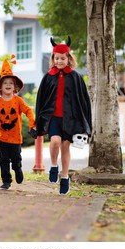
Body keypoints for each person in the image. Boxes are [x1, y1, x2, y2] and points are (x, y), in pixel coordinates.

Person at [35, 37, 92, 195]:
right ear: (53, 59)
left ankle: (65, 177)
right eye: (57, 58)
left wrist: (85, 122)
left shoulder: (76, 78)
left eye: (63, 58)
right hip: (53, 118)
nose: (60, 61)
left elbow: (83, 101)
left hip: (69, 119)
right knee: (55, 141)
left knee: (65, 146)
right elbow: (41, 99)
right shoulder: (48, 77)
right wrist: (37, 120)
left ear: (69, 58)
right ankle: (54, 165)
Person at [0, 57, 36, 190]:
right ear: (0, 87)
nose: (8, 85)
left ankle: (18, 169)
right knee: (3, 161)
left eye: (11, 83)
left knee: (15, 160)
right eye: (5, 83)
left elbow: (28, 111)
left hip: (16, 139)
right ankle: (6, 181)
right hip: (2, 138)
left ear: (15, 87)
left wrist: (32, 124)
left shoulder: (18, 101)